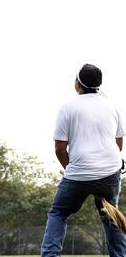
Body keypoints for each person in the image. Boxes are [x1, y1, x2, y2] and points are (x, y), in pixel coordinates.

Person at [41, 64, 126, 257]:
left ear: (78, 83)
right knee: (111, 216)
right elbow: (118, 144)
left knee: (58, 213)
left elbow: (59, 148)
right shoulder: (112, 106)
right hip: (110, 172)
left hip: (78, 173)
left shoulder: (67, 108)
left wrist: (71, 169)